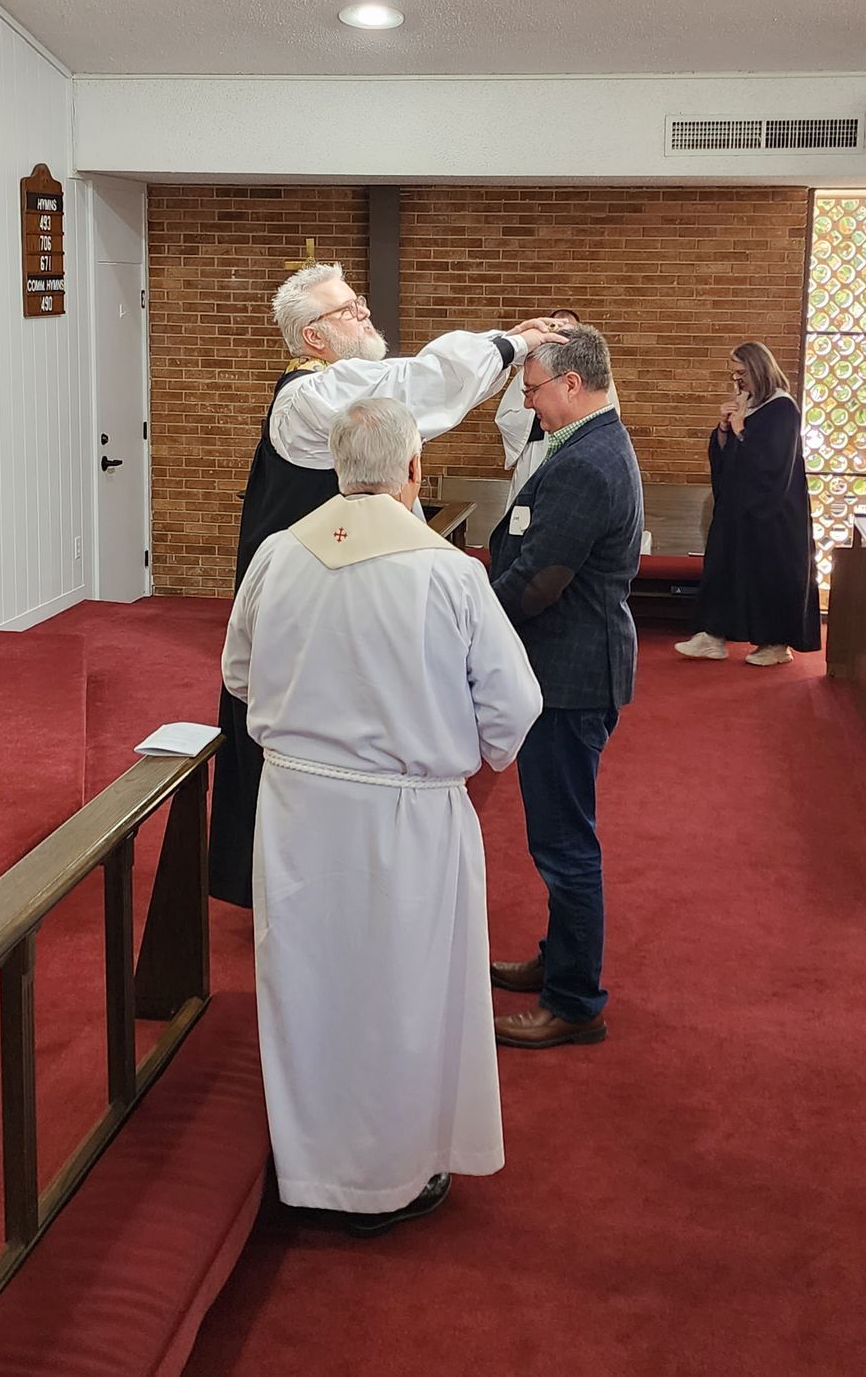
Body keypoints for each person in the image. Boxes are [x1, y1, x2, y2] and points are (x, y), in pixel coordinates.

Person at [222, 399, 542, 1233]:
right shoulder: (447, 572)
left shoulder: (276, 556)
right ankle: (390, 1178)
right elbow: (514, 707)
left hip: (294, 810)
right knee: (400, 994)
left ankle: (312, 1169)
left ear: (335, 467)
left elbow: (237, 673)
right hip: (406, 817)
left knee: (308, 988)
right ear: (412, 471)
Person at [209, 261, 566, 906]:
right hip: (308, 590)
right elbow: (415, 385)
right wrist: (510, 344)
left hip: (338, 594)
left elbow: (412, 389)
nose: (363, 313)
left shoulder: (335, 386)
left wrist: (507, 349)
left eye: (359, 302)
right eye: (346, 310)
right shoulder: (306, 395)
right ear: (312, 337)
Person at [487, 326, 643, 1049]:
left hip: (569, 673)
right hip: (569, 663)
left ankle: (574, 1001)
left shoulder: (586, 461)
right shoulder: (590, 444)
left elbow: (543, 578)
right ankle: (559, 961)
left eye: (533, 389)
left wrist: (473, 621)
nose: (529, 402)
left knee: (563, 843)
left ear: (572, 386)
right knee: (558, 833)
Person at [675, 341, 820, 667]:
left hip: (775, 515)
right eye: (733, 374)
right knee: (722, 565)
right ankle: (712, 636)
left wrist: (741, 429)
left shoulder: (783, 408)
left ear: (758, 369)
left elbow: (773, 463)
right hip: (738, 512)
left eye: (742, 373)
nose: (737, 381)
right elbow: (728, 459)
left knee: (771, 575)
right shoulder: (750, 404)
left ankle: (776, 644)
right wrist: (724, 431)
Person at [494, 309, 623, 505]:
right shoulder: (534, 368)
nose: (527, 401)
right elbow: (507, 417)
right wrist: (537, 419)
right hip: (536, 453)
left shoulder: (595, 373)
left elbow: (606, 420)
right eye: (557, 327)